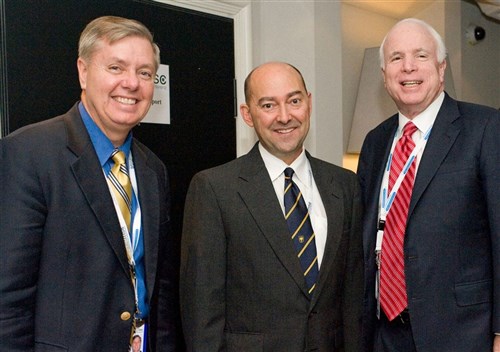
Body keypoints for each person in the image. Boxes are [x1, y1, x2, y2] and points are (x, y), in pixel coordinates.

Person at [0, 16, 181, 351]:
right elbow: (8, 299)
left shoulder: (153, 169)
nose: (131, 83)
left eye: (144, 72)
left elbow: (161, 290)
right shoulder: (28, 153)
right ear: (83, 71)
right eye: (116, 67)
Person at [180, 61, 364, 351]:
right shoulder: (215, 188)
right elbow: (202, 307)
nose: (284, 116)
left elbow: (354, 295)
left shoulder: (344, 185)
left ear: (309, 103)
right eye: (268, 105)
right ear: (248, 114)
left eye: (294, 101)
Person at [358, 18, 500, 352]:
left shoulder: (485, 128)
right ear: (384, 75)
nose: (408, 67)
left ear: (441, 66)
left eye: (420, 55)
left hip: (462, 334)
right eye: (396, 58)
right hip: (384, 334)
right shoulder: (374, 143)